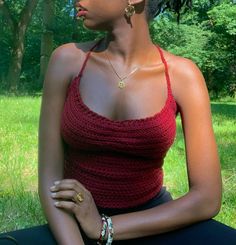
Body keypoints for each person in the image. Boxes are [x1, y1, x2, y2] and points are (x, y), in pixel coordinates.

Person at [1, 0, 236, 244]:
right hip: (73, 229)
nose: (77, 1)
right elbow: (51, 181)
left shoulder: (183, 76)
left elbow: (207, 198)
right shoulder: (67, 60)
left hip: (153, 224)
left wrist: (104, 228)